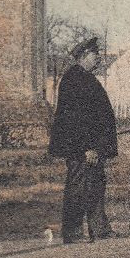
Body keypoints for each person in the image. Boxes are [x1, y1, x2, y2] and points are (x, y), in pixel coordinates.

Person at [47, 37, 119, 244]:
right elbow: (76, 120)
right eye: (95, 55)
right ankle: (73, 233)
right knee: (78, 188)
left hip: (92, 148)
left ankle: (100, 229)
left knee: (96, 185)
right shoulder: (74, 80)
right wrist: (88, 148)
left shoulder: (85, 78)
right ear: (84, 56)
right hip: (81, 149)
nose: (98, 59)